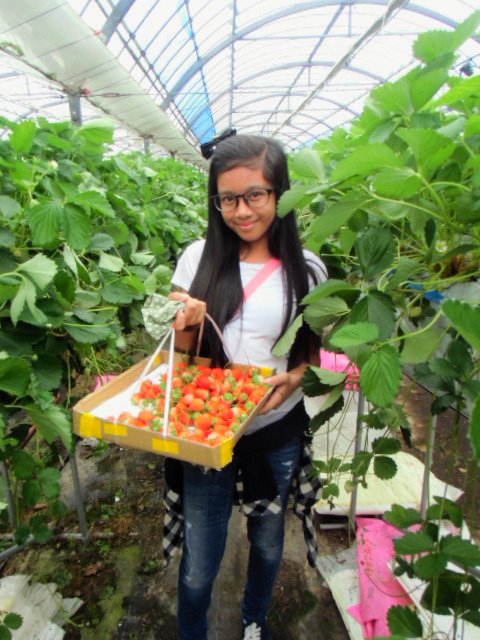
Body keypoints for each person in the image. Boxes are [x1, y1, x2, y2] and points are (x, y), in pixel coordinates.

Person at [167, 133, 327, 640]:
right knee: (200, 558)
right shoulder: (197, 259)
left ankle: (254, 617)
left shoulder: (308, 270)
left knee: (268, 541)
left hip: (274, 429)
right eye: (228, 199)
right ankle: (192, 631)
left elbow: (311, 355)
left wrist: (294, 380)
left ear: (280, 192)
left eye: (255, 195)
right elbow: (182, 359)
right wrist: (187, 324)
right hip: (207, 431)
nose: (241, 211)